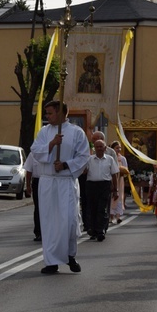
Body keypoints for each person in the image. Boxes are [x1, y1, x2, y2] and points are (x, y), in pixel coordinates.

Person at [31, 101, 90, 274]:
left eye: (50, 113)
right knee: (50, 222)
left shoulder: (76, 133)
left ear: (61, 112)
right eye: (46, 113)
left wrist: (65, 165)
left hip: (66, 182)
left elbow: (84, 155)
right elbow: (35, 151)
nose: (47, 116)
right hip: (48, 182)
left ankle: (70, 255)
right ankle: (51, 261)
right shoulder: (44, 132)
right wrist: (51, 145)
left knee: (69, 221)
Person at [85, 140, 119, 241]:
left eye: (101, 147)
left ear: (105, 148)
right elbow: (83, 172)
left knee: (102, 208)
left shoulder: (110, 159)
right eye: (97, 147)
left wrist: (115, 190)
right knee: (92, 208)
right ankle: (93, 230)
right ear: (94, 148)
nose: (99, 148)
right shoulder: (89, 159)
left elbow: (114, 175)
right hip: (91, 185)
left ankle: (101, 230)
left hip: (104, 185)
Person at [23, 153, 42, 241]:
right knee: (38, 208)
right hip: (37, 182)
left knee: (50, 208)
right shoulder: (33, 154)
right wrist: (28, 186)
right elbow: (29, 170)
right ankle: (38, 232)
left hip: (49, 181)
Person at [109, 141, 128, 224]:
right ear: (113, 149)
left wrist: (122, 170)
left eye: (119, 147)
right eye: (117, 148)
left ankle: (118, 216)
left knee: (119, 197)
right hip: (111, 179)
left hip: (120, 180)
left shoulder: (122, 158)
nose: (119, 149)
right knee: (112, 197)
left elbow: (126, 169)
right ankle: (111, 216)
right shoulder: (110, 157)